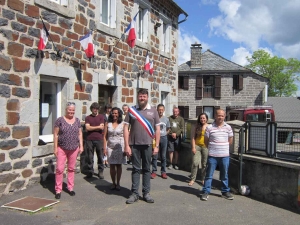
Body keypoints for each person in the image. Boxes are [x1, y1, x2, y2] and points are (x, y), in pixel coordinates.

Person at [124, 89, 160, 204]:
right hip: (134, 145)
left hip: (148, 144)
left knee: (146, 169)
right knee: (135, 169)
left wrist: (157, 146)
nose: (142, 98)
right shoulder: (132, 110)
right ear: (137, 97)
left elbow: (158, 129)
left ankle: (146, 193)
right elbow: (125, 128)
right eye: (140, 96)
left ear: (147, 97)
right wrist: (126, 145)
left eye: (144, 96)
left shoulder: (153, 111)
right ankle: (134, 194)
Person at [201, 109, 234, 201]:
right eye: (219, 115)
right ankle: (206, 192)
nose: (220, 117)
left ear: (224, 117)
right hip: (213, 156)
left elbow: (230, 140)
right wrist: (213, 148)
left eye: (222, 116)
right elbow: (206, 141)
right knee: (209, 175)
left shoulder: (228, 127)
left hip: (224, 156)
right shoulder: (210, 127)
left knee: (225, 175)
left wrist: (222, 146)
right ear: (215, 116)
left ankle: (225, 192)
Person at [53, 102, 83, 199]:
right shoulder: (60, 120)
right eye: (70, 109)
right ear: (66, 110)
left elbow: (80, 134)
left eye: (73, 110)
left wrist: (81, 146)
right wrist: (55, 148)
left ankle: (70, 188)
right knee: (59, 169)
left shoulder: (77, 121)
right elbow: (56, 134)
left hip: (74, 148)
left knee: (71, 169)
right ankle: (58, 189)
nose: (71, 111)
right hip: (62, 148)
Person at [103, 107, 125, 191]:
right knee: (112, 165)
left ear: (119, 114)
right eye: (113, 113)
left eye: (116, 113)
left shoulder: (123, 124)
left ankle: (118, 183)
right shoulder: (107, 123)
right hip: (110, 147)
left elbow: (126, 136)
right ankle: (113, 183)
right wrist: (104, 148)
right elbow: (104, 137)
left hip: (120, 147)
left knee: (119, 165)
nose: (114, 114)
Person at [84, 102, 105, 179]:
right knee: (90, 156)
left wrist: (92, 127)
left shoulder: (101, 117)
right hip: (89, 139)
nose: (95, 110)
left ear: (98, 109)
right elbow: (87, 128)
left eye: (96, 108)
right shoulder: (88, 118)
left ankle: (100, 171)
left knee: (100, 155)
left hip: (99, 139)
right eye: (94, 108)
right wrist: (97, 127)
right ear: (91, 109)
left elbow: (102, 127)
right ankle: (90, 171)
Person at [188, 113, 208, 186]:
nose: (202, 119)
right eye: (201, 118)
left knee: (204, 164)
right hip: (197, 146)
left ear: (206, 119)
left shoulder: (209, 127)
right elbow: (193, 137)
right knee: (195, 163)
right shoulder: (196, 126)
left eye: (204, 118)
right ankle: (193, 179)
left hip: (206, 147)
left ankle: (203, 179)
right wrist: (193, 147)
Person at [151, 104, 170, 179]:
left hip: (164, 138)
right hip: (155, 139)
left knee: (163, 156)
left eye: (162, 110)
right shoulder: (154, 119)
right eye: (159, 109)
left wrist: (165, 134)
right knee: (155, 156)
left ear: (164, 110)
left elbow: (168, 128)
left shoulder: (166, 119)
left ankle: (163, 172)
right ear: (157, 110)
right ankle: (154, 171)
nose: (160, 111)